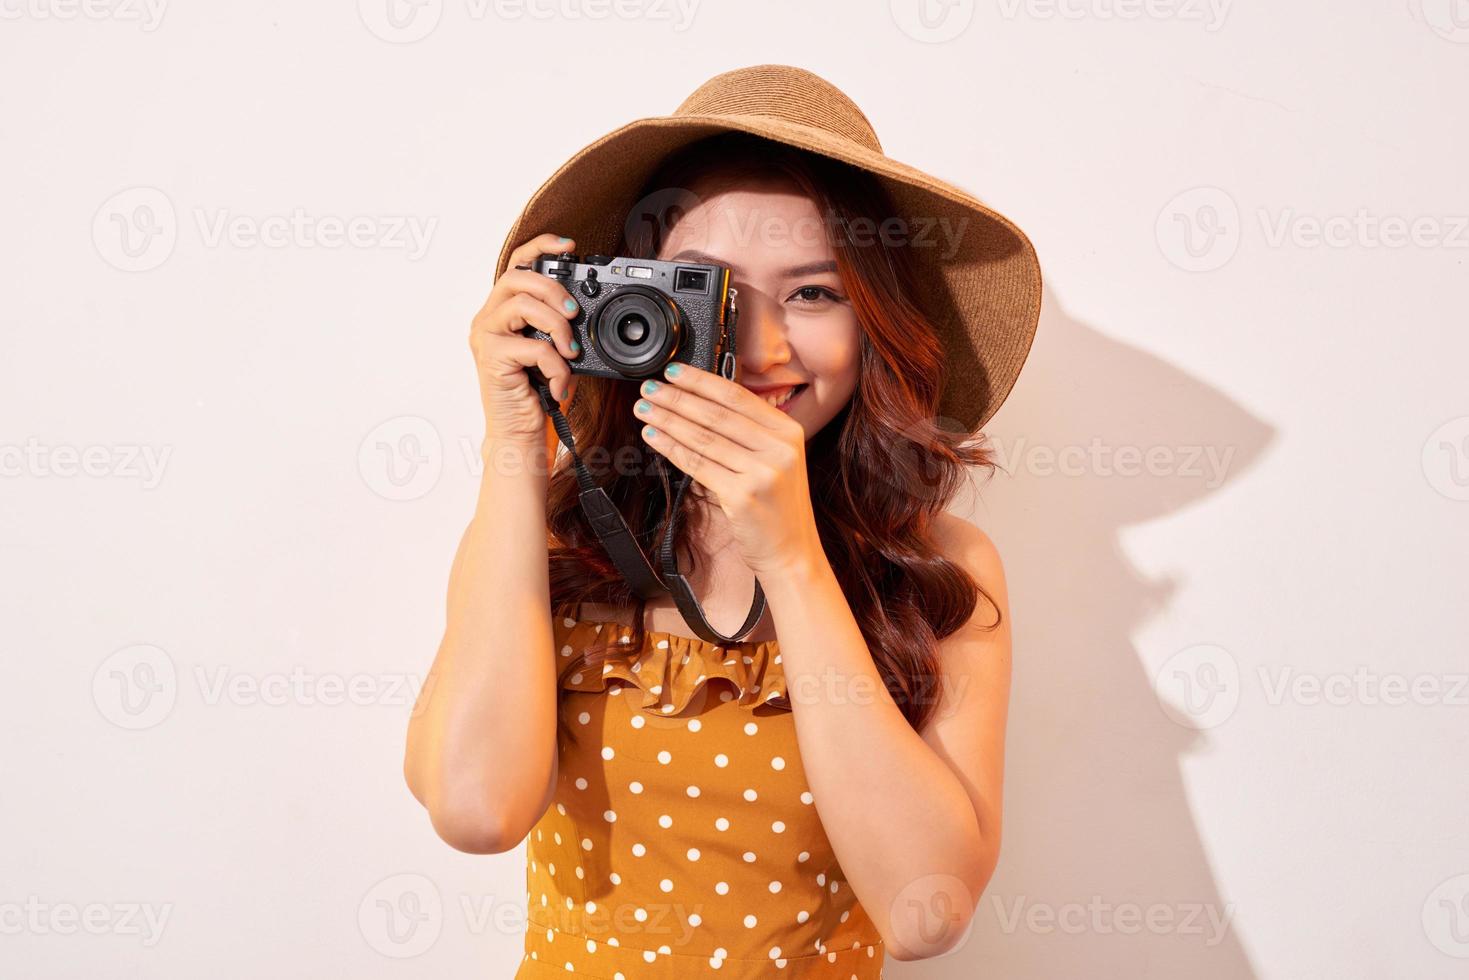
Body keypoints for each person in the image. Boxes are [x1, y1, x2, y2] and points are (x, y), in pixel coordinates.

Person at [404, 64, 1042, 978]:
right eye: (708, 294)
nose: (759, 348)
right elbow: (474, 810)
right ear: (632, 310)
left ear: (875, 326)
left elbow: (925, 912)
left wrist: (790, 556)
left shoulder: (935, 564)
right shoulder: (552, 534)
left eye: (815, 294)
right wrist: (515, 443)